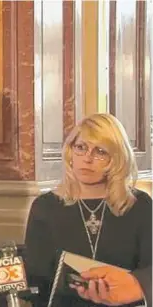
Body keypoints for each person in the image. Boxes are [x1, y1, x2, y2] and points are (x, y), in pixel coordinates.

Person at [24, 113, 152, 307]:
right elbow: (36, 279)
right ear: (70, 151)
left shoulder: (139, 205)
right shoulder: (46, 206)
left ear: (116, 158)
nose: (87, 158)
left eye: (100, 151)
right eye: (81, 148)